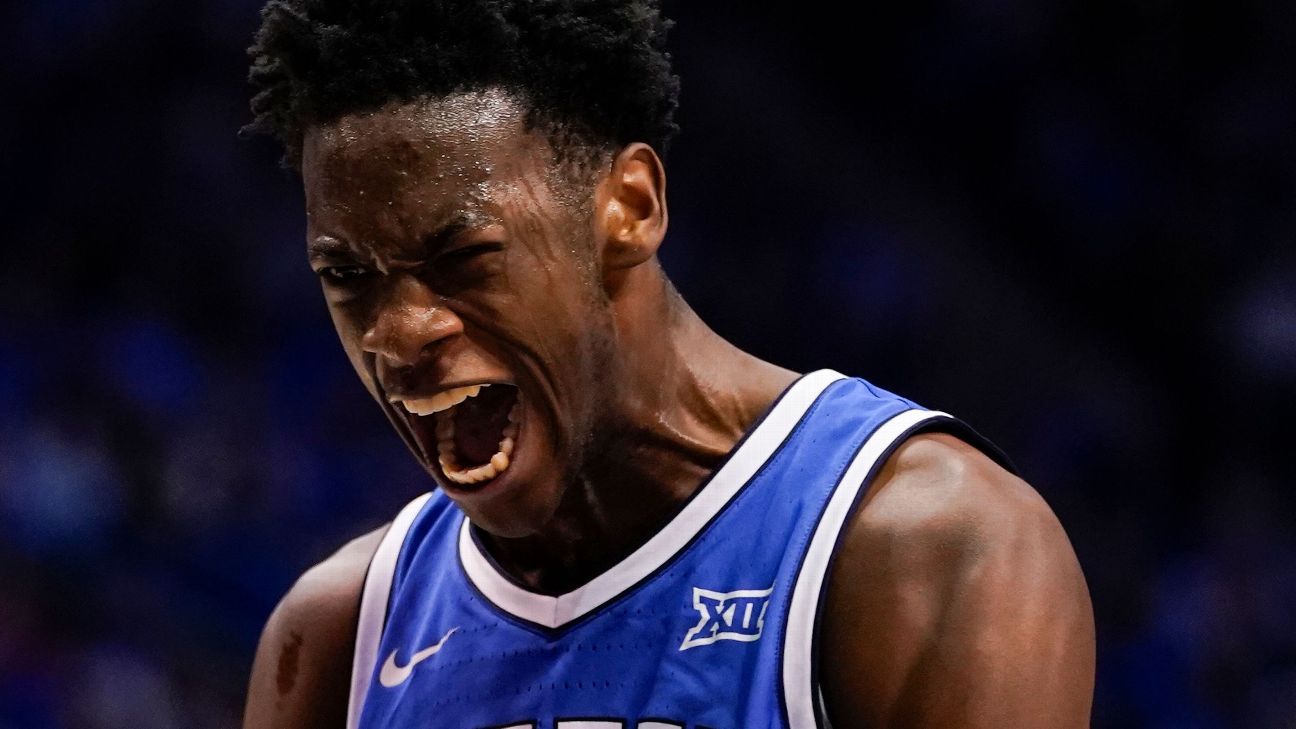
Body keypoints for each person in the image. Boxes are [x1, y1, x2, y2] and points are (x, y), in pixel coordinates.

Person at [240, 2, 1095, 727]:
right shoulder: (339, 635)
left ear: (631, 207)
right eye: (347, 277)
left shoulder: (923, 548)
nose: (395, 334)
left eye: (463, 257)